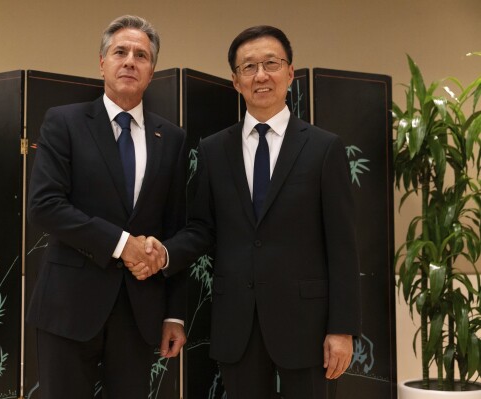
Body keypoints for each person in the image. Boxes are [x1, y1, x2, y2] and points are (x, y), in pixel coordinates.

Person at [136, 25, 361, 399]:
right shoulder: (212, 150)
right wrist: (165, 253)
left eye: (271, 63)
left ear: (290, 73)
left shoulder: (324, 149)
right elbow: (202, 229)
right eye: (248, 67)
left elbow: (343, 244)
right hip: (236, 323)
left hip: (306, 325)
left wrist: (342, 328)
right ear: (235, 82)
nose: (260, 75)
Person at [26, 15, 187, 399]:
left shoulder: (173, 138)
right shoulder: (63, 122)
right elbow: (45, 205)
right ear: (102, 63)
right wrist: (122, 244)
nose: (130, 61)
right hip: (68, 307)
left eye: (142, 55)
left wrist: (174, 314)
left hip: (139, 313)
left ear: (152, 72)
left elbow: (178, 228)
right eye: (120, 52)